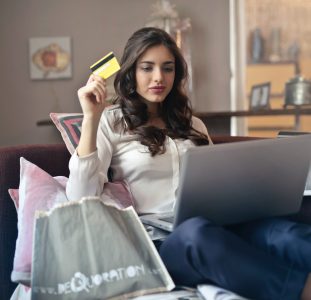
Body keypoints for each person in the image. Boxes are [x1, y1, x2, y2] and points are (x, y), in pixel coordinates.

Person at [66, 27, 311, 300]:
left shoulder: (192, 125)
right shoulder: (110, 123)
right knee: (197, 234)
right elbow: (80, 197)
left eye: (167, 68)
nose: (159, 77)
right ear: (131, 73)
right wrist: (90, 118)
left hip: (218, 226)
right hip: (161, 245)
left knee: (282, 233)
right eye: (147, 68)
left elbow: (217, 180)